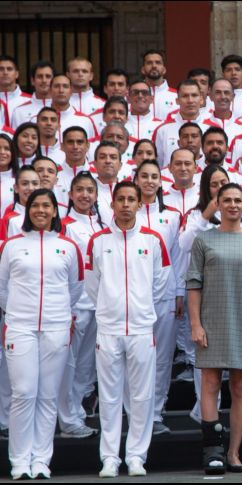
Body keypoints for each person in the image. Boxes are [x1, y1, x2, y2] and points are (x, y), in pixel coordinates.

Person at [187, 182, 242, 474]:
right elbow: (194, 285)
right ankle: (212, 451)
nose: (233, 205)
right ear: (218, 204)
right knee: (210, 384)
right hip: (211, 321)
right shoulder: (203, 240)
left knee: (240, 386)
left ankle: (234, 452)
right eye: (227, 200)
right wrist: (196, 324)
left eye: (238, 200)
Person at [85, 181, 171, 478]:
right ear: (112, 204)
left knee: (142, 396)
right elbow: (92, 284)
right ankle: (110, 457)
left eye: (130, 199)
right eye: (120, 199)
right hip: (108, 329)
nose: (125, 204)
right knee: (109, 396)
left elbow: (160, 283)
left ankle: (136, 456)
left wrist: (141, 309)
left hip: (141, 328)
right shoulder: (98, 241)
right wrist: (109, 308)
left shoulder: (152, 240)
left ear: (139, 204)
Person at [0, 188, 84, 480]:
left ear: (54, 211)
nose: (40, 210)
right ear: (28, 209)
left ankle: (41, 461)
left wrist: (58, 313)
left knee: (48, 396)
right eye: (35, 205)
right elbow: (2, 287)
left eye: (46, 206)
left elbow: (75, 288)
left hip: (56, 326)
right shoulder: (11, 245)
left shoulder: (67, 246)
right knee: (23, 393)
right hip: (20, 327)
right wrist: (17, 312)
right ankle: (19, 461)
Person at [133, 160, 184, 436]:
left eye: (154, 176)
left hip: (165, 296)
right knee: (136, 358)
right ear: (136, 179)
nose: (149, 181)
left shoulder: (173, 216)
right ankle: (135, 413)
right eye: (144, 176)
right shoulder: (127, 211)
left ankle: (155, 413)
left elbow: (177, 256)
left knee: (162, 359)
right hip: (134, 298)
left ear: (160, 181)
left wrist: (178, 291)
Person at [58, 172, 105, 440]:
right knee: (70, 363)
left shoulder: (102, 224)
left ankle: (76, 412)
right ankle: (67, 418)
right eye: (80, 190)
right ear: (71, 194)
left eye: (90, 190)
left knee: (86, 365)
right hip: (75, 305)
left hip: (99, 305)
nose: (85, 195)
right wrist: (67, 306)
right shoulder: (64, 225)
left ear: (96, 195)